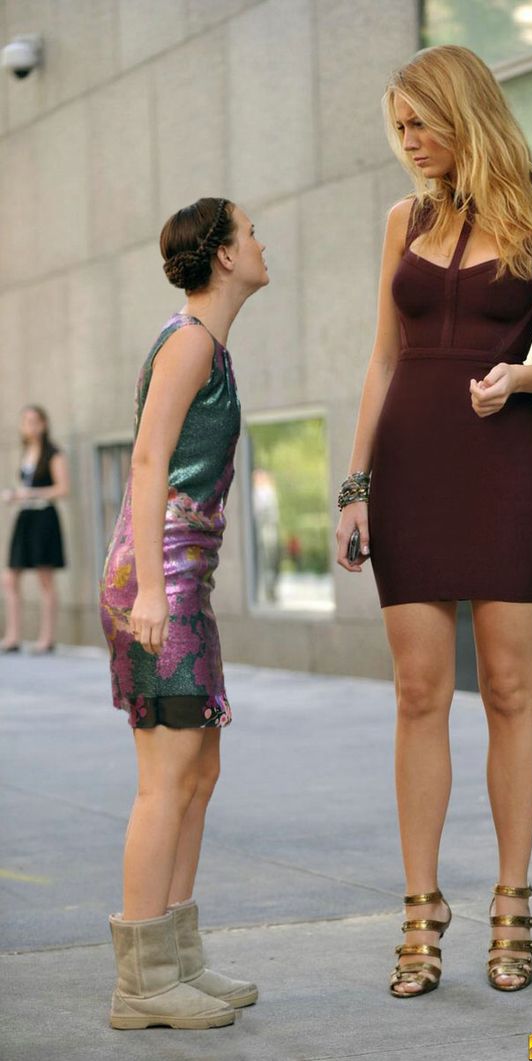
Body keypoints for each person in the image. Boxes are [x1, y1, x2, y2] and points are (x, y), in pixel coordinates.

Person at [336, 45, 532, 997]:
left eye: (420, 123)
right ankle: (419, 908)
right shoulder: (403, 219)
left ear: (465, 111)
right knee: (417, 691)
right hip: (409, 467)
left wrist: (518, 376)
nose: (408, 143)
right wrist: (356, 484)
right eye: (397, 127)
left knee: (507, 687)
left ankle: (512, 904)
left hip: (505, 468)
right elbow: (381, 359)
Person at [99, 197, 268, 1030]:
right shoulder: (191, 340)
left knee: (199, 772)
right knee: (164, 780)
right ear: (226, 256)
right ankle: (141, 985)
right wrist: (152, 595)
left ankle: (176, 963)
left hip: (178, 584)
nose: (262, 242)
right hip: (155, 582)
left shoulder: (211, 346)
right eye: (252, 231)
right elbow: (148, 456)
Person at [1, 405, 69, 654]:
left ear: (44, 424)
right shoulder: (26, 452)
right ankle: (13, 636)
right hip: (24, 516)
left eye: (34, 421)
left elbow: (62, 489)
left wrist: (28, 493)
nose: (29, 426)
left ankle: (46, 638)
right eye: (25, 421)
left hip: (43, 517)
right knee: (10, 577)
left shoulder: (54, 453)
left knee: (45, 578)